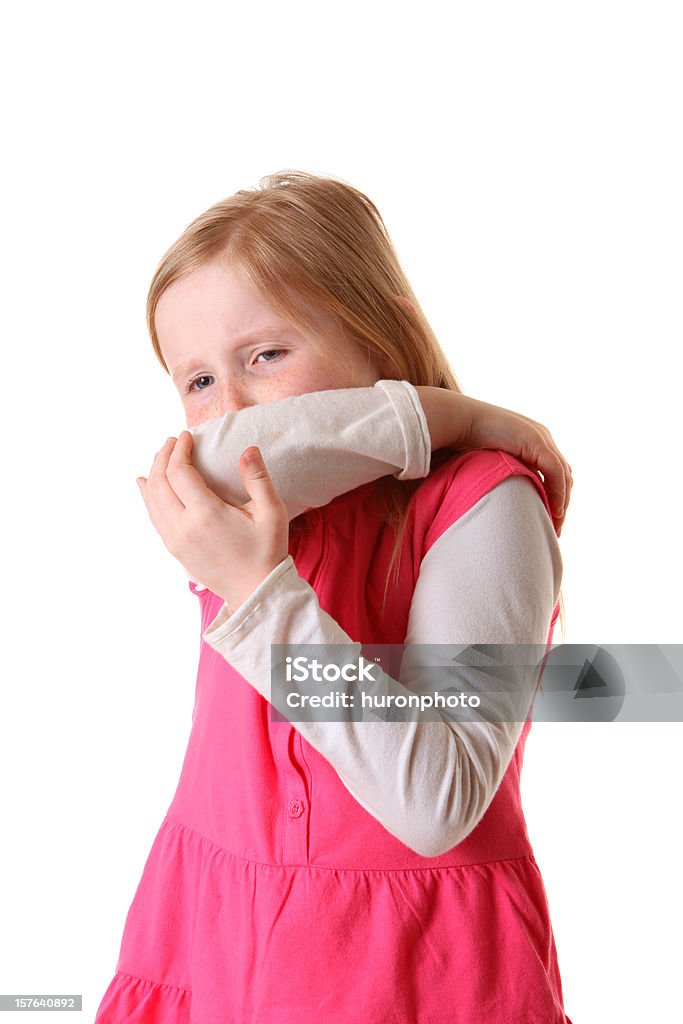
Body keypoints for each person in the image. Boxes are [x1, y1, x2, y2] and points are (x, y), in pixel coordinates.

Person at [94, 170, 574, 1023]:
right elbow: (221, 454)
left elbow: (436, 805)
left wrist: (260, 596)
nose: (230, 409)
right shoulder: (242, 501)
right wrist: (435, 413)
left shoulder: (487, 505)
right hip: (216, 942)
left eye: (265, 356)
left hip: (412, 970)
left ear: (380, 345)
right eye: (197, 381)